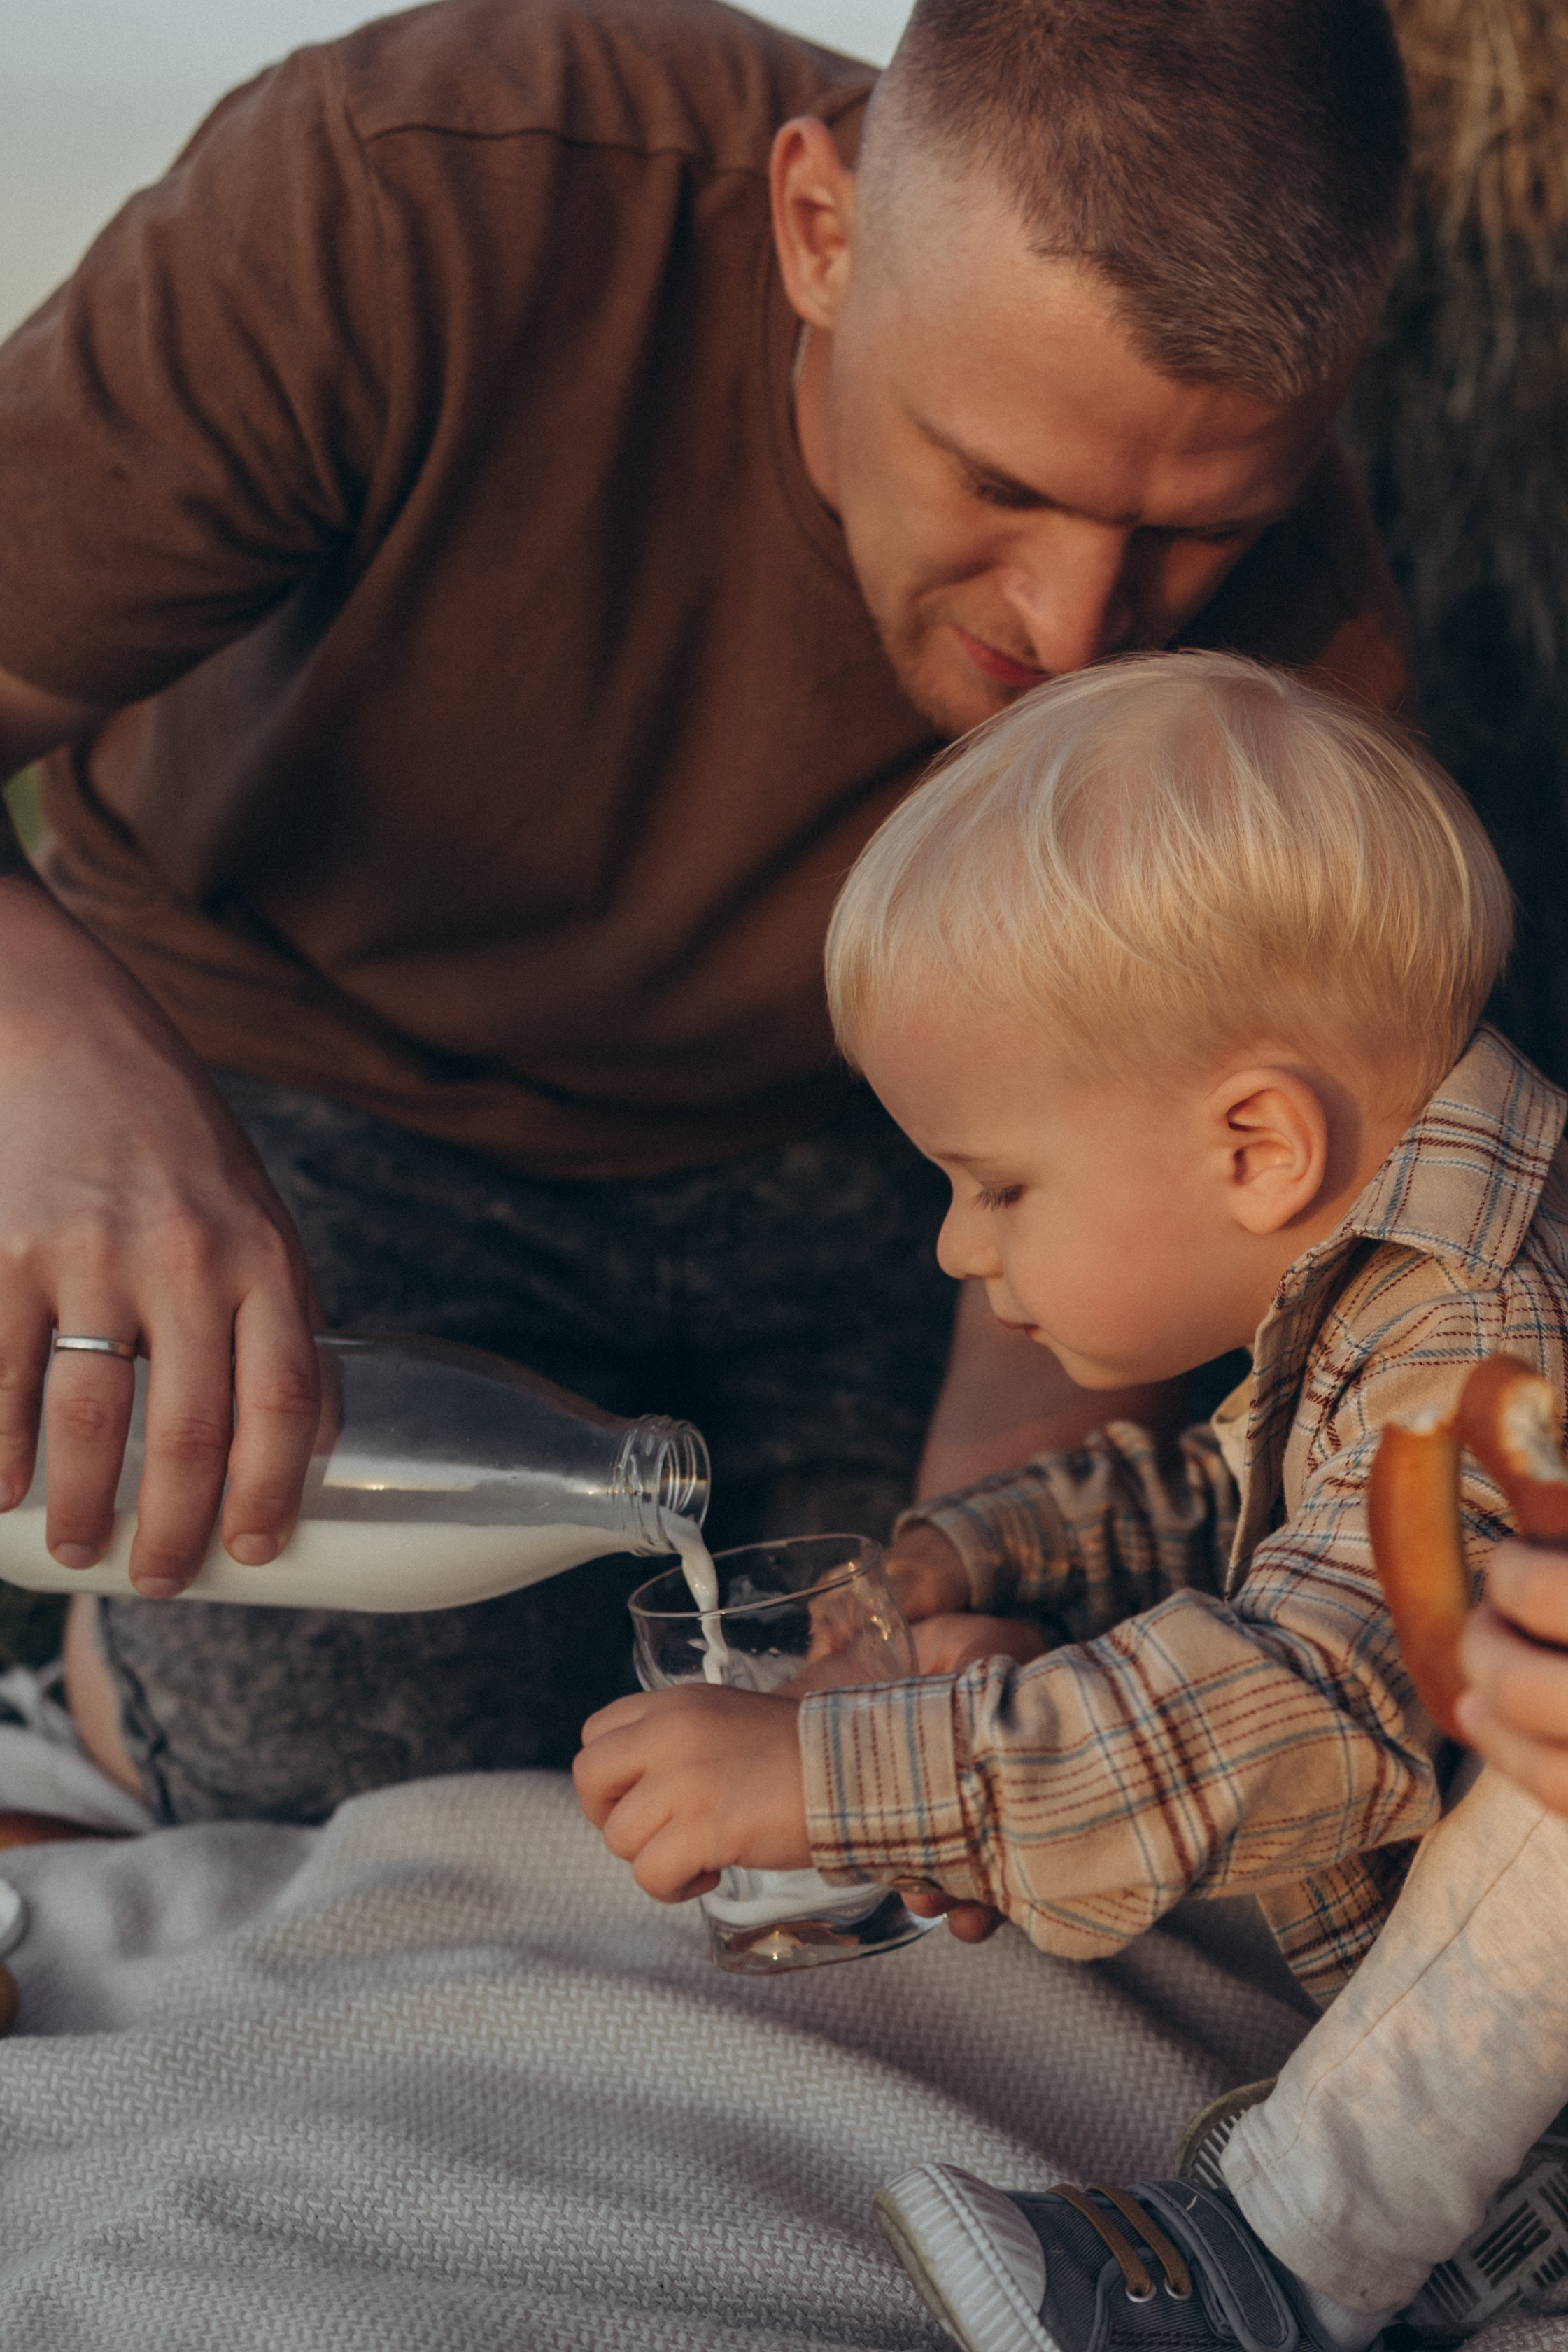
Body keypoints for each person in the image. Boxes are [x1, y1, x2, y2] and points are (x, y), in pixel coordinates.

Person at [0, 0, 1411, 1823]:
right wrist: (66, 1052)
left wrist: (959, 1603)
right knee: (369, 1775)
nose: (1080, 632)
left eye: (1197, 529)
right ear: (817, 233)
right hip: (296, 1072)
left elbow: (1106, 1152)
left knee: (915, 1723)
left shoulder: (1305, 657)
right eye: (1001, 484)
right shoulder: (410, 199)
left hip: (880, 1157)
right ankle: (103, 1694)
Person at [572, 649, 1568, 2342]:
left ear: (1253, 1145)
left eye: (993, 1183)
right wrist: (991, 1541)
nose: (959, 1249)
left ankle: (1290, 2265)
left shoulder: (1482, 1358)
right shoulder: (1399, 1280)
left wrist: (847, 1778)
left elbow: (1315, 1706)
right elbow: (1244, 1499)